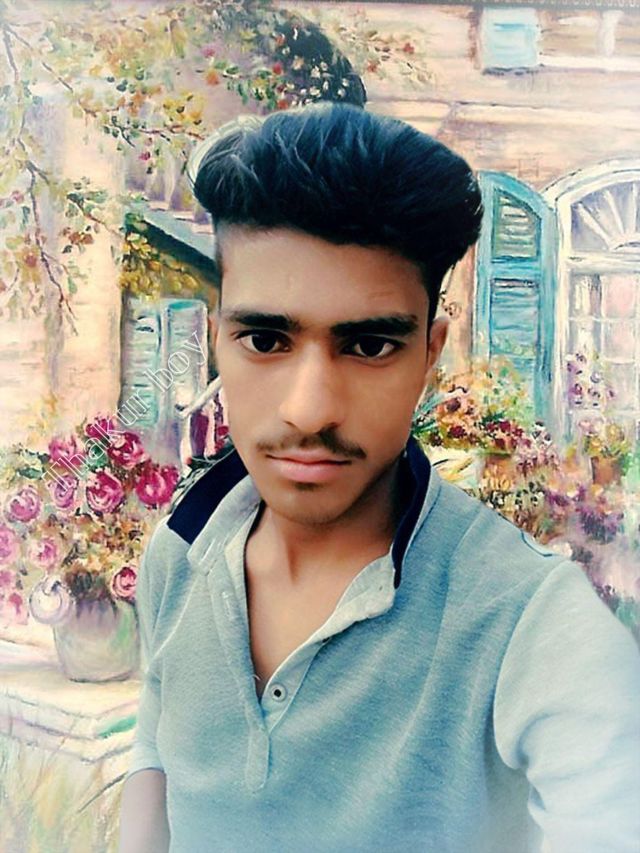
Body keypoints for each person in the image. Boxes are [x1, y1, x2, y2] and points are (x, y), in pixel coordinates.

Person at [118, 102, 640, 853]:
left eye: (367, 346)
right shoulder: (179, 549)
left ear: (430, 354)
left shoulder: (531, 622)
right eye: (264, 339)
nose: (308, 410)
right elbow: (158, 743)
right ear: (218, 338)